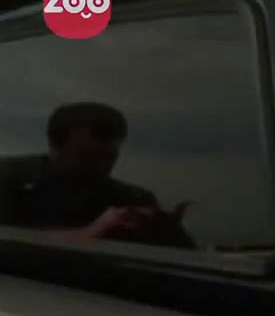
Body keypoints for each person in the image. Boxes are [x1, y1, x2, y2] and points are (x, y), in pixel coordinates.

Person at [0, 102, 169, 241]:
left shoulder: (132, 200)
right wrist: (89, 233)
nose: (100, 165)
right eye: (87, 156)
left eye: (109, 157)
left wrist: (163, 227)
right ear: (54, 146)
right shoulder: (7, 178)